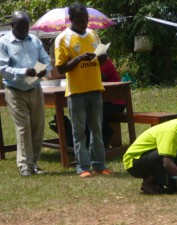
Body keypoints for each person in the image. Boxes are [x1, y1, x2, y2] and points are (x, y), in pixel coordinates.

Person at [54, 2, 113, 178]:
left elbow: (99, 63)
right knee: (79, 131)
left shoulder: (93, 35)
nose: (84, 23)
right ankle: (83, 166)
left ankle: (99, 164)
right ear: (71, 19)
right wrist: (79, 59)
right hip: (76, 92)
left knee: (97, 128)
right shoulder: (63, 38)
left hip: (95, 88)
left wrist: (102, 57)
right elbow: (61, 68)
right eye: (80, 20)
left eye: (86, 20)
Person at [0, 11, 52, 177]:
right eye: (21, 28)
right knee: (24, 128)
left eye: (27, 27)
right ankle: (24, 166)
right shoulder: (4, 43)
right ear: (12, 26)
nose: (24, 31)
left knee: (37, 127)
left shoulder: (34, 40)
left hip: (35, 88)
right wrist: (23, 72)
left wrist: (44, 70)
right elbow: (3, 69)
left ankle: (34, 163)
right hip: (15, 90)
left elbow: (46, 60)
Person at [123, 110, 177, 194]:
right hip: (134, 162)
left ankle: (162, 183)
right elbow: (167, 163)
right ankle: (148, 183)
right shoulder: (172, 131)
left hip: (151, 158)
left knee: (176, 155)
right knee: (166, 156)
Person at [98, 54, 125, 148]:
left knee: (94, 112)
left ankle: (104, 137)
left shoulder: (107, 64)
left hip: (116, 103)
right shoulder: (100, 64)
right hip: (107, 102)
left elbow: (97, 79)